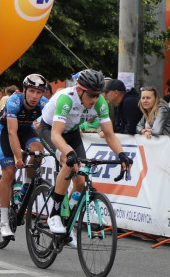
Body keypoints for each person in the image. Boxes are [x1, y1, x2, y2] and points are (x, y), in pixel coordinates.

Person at [38, 69, 132, 235]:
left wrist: (122, 154)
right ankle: (55, 214)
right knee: (68, 162)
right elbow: (56, 135)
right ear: (79, 90)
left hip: (72, 131)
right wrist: (68, 152)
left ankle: (67, 221)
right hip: (50, 129)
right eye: (91, 95)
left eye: (98, 95)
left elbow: (109, 134)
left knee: (81, 181)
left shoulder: (100, 102)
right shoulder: (66, 99)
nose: (95, 99)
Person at [0, 74, 50, 237]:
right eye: (32, 91)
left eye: (39, 92)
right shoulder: (14, 101)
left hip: (26, 130)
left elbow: (51, 128)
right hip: (6, 131)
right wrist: (19, 157)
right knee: (9, 172)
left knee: (38, 152)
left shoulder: (44, 104)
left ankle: (26, 186)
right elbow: (12, 132)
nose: (35, 96)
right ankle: (4, 222)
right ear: (24, 90)